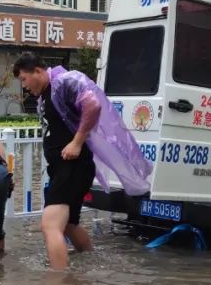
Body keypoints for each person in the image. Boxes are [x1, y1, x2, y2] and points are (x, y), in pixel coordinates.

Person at [12, 53, 152, 269]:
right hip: (65, 168)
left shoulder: (65, 81)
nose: (24, 86)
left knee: (50, 226)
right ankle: (89, 265)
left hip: (72, 167)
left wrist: (77, 142)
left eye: (24, 79)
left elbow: (93, 105)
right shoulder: (47, 94)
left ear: (38, 71)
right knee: (68, 225)